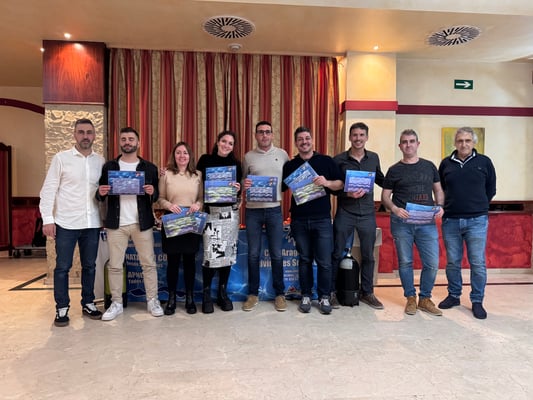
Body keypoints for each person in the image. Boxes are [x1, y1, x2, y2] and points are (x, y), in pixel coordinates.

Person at [39, 118, 105, 327]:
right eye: (81, 132)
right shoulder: (61, 159)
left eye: (89, 132)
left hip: (92, 223)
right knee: (62, 267)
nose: (85, 136)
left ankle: (88, 302)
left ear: (94, 135)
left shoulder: (100, 161)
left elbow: (102, 192)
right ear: (74, 134)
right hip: (66, 223)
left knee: (90, 266)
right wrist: (48, 219)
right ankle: (62, 308)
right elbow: (48, 190)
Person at [96, 127, 163, 321]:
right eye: (124, 139)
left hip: (142, 223)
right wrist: (100, 192)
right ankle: (116, 302)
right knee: (115, 265)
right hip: (116, 223)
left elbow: (157, 195)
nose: (127, 142)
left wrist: (153, 192)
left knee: (148, 264)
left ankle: (152, 300)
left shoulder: (149, 167)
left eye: (131, 139)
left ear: (138, 143)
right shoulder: (109, 167)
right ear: (120, 142)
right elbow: (100, 193)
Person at [381, 129, 444, 316]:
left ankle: (425, 298)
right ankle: (410, 297)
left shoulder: (429, 166)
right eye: (404, 142)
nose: (408, 145)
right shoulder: (394, 170)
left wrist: (440, 206)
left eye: (411, 141)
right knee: (405, 262)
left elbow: (438, 190)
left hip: (426, 222)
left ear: (418, 144)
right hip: (402, 222)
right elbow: (385, 196)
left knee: (432, 263)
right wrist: (394, 209)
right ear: (400, 146)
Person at [282, 126, 343, 314]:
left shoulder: (326, 161)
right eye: (300, 139)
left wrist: (326, 182)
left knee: (324, 261)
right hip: (299, 220)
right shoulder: (290, 165)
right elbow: (280, 188)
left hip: (322, 219)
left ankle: (324, 296)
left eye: (307, 138)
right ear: (296, 143)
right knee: (304, 259)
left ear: (312, 140)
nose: (304, 142)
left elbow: (340, 184)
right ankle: (306, 295)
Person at [438, 127, 496, 319]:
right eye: (460, 140)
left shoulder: (484, 162)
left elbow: (491, 189)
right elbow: (441, 189)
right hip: (451, 220)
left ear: (474, 143)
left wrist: (478, 206)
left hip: (477, 221)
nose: (464, 144)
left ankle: (477, 300)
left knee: (477, 262)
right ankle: (454, 295)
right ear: (455, 143)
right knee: (453, 262)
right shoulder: (446, 164)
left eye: (468, 140)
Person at [332, 122, 385, 309]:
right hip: (345, 212)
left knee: (368, 255)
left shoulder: (374, 158)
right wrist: (346, 193)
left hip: (367, 214)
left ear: (366, 137)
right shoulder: (339, 159)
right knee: (336, 252)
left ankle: (367, 292)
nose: (358, 138)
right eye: (354, 135)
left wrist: (399, 183)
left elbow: (381, 179)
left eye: (361, 135)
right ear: (349, 137)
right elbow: (332, 188)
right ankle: (332, 292)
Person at [242, 121, 290, 312]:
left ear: (272, 134)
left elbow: (290, 177)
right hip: (252, 211)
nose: (264, 135)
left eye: (267, 132)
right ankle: (253, 294)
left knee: (277, 254)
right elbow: (242, 180)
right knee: (253, 254)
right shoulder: (248, 157)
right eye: (260, 132)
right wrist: (244, 184)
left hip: (274, 210)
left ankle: (280, 294)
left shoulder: (283, 154)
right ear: (255, 135)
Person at [196, 130, 243, 313]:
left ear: (233, 147)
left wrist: (238, 188)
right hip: (211, 213)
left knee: (227, 254)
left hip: (229, 214)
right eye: (224, 141)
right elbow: (194, 181)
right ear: (217, 142)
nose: (226, 145)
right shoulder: (205, 160)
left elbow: (238, 192)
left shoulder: (236, 164)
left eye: (230, 143)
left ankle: (222, 293)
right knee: (210, 255)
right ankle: (207, 293)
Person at [158, 142, 203, 315]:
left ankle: (190, 299)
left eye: (185, 152)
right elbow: (160, 198)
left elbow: (202, 198)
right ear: (174, 155)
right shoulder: (166, 174)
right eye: (178, 152)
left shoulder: (198, 174)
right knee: (173, 262)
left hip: (191, 219)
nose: (182, 156)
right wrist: (169, 205)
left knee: (190, 262)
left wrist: (198, 204)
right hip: (172, 220)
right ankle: (171, 299)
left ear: (190, 155)